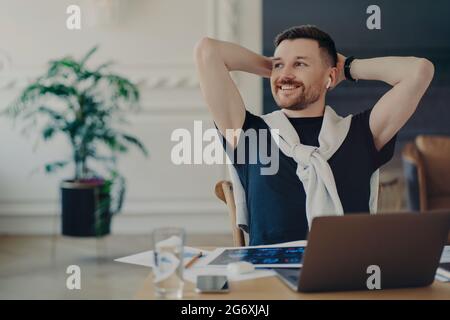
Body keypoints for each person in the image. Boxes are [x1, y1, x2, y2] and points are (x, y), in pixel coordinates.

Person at [194, 25, 434, 245]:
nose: (285, 74)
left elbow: (420, 71)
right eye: (279, 65)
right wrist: (276, 68)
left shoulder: (362, 132)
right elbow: (208, 51)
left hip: (347, 279)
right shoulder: (248, 133)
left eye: (300, 64)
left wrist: (348, 68)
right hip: (270, 281)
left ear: (330, 76)